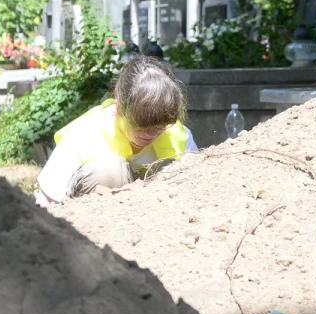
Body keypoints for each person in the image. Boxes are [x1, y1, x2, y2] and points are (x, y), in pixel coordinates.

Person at [36, 56, 197, 205]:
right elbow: (48, 196)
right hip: (96, 217)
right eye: (143, 127)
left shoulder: (179, 137)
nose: (152, 134)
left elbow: (200, 183)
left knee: (176, 168)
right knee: (110, 170)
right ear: (119, 109)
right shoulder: (85, 133)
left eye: (160, 126)